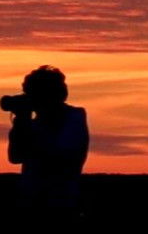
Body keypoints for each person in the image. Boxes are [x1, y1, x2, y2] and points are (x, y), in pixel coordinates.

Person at [5, 65, 89, 213]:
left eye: (33, 94)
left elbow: (55, 155)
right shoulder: (33, 124)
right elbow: (15, 156)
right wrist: (21, 121)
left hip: (60, 204)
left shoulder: (74, 117)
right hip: (30, 202)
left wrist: (25, 123)